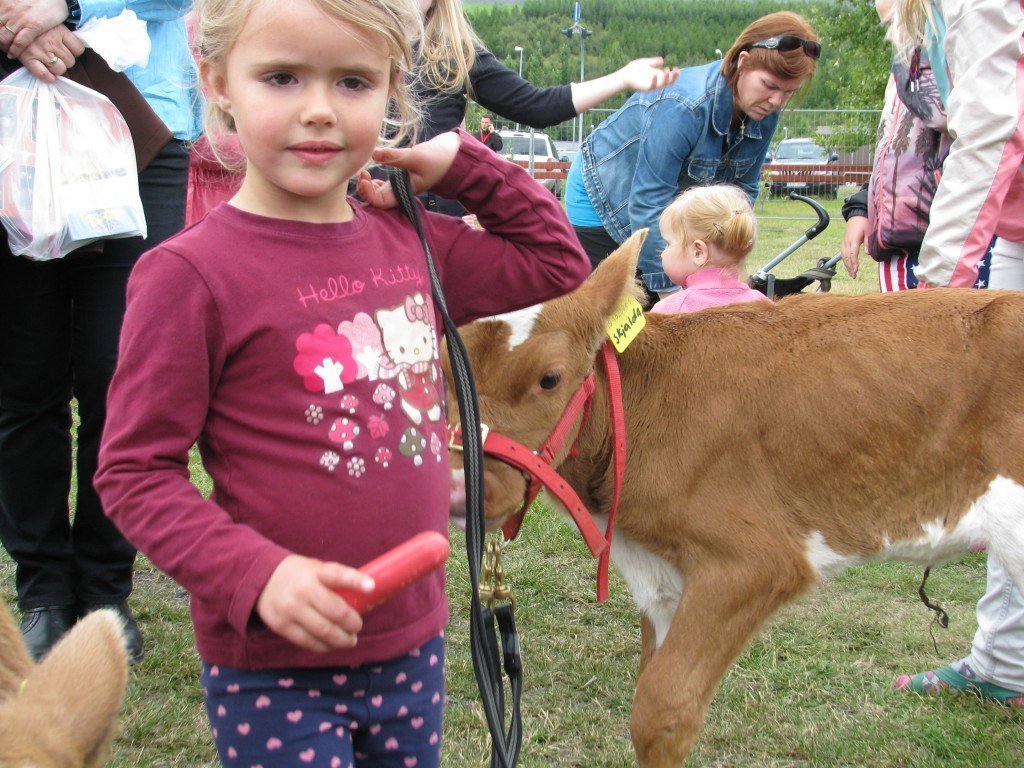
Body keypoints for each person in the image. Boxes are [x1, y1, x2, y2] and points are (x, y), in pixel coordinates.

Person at [95, 0, 589, 766]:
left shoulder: (412, 238)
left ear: (394, 89)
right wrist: (256, 577)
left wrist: (464, 165)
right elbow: (133, 473)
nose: (319, 111)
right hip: (275, 665)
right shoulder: (189, 277)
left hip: (413, 642)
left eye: (354, 83)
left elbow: (559, 265)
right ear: (217, 79)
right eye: (282, 77)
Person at [0, 0, 200, 663]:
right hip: (14, 123)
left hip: (138, 121)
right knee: (24, 381)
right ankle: (43, 590)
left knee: (120, 380)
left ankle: (105, 592)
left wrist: (66, 6)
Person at [885, 0, 1024, 708]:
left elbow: (996, 127)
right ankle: (1006, 663)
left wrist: (937, 289)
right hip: (1018, 233)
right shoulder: (926, 15)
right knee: (1012, 462)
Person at [564, 11, 819, 306]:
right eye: (770, 86)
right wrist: (671, 299)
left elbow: (741, 197)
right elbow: (648, 203)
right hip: (604, 201)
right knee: (620, 314)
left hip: (666, 213)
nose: (776, 101)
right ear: (743, 62)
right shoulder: (682, 106)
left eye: (789, 92)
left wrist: (726, 275)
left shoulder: (766, 112)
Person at [415, 0, 679, 144]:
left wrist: (621, 77)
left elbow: (538, 106)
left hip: (428, 223)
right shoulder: (373, 49)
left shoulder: (454, 57)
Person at [649, 184, 768, 315]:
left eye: (668, 243)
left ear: (698, 252)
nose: (662, 253)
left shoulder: (668, 311)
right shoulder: (764, 305)